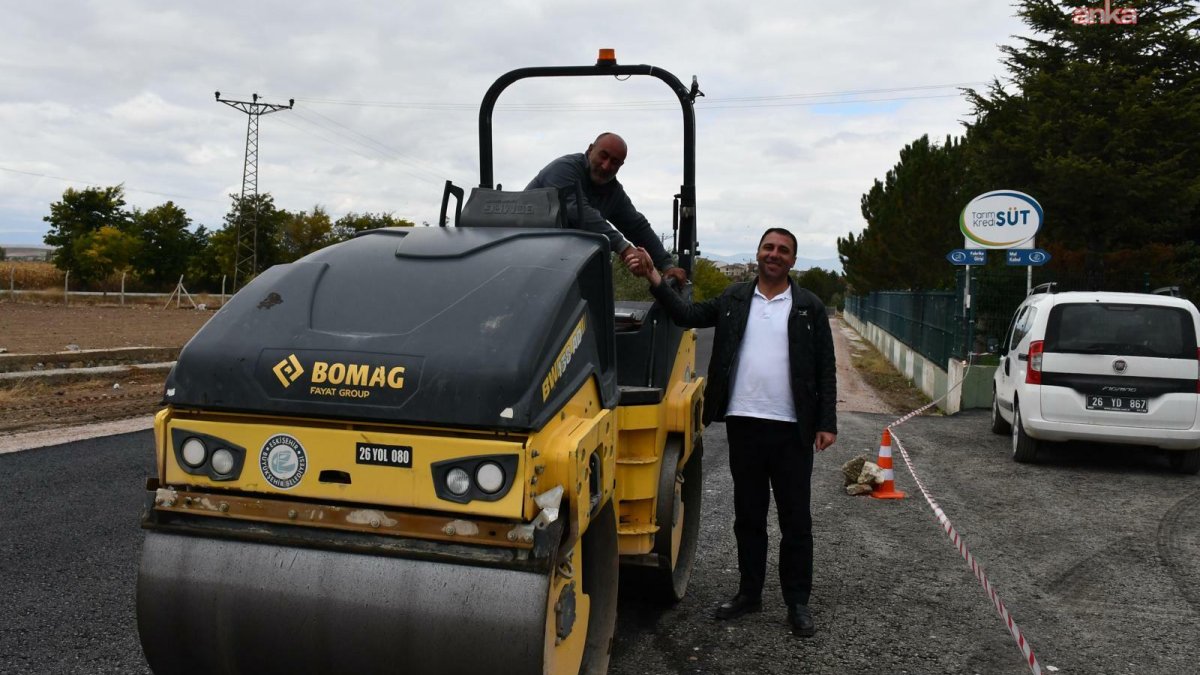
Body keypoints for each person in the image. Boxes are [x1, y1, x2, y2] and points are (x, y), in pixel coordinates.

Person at [628, 228, 837, 637]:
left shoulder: (808, 307)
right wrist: (655, 279)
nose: (774, 255)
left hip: (793, 429)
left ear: (793, 260)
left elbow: (825, 368)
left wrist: (826, 422)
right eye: (768, 248)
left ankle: (797, 603)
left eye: (783, 250)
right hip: (745, 423)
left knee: (796, 521)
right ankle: (750, 593)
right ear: (759, 253)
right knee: (749, 517)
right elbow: (686, 316)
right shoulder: (734, 298)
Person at [527, 132, 688, 285]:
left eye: (615, 162)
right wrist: (624, 248)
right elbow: (578, 210)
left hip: (565, 265)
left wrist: (667, 265)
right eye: (603, 156)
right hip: (527, 258)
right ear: (590, 150)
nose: (606, 166)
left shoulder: (613, 192)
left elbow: (636, 226)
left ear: (621, 165)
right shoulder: (564, 169)